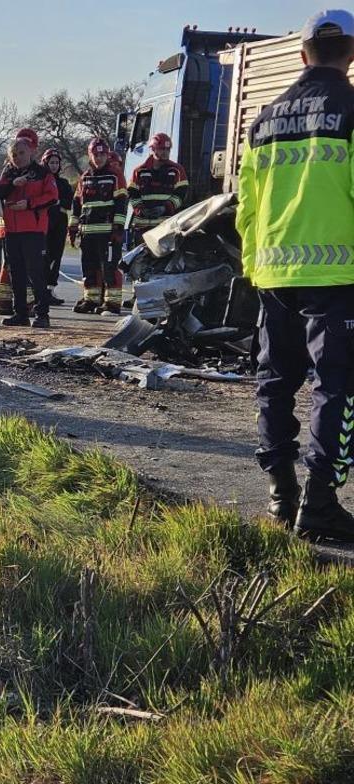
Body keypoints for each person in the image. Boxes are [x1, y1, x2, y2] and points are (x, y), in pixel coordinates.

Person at [237, 9, 354, 540]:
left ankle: (281, 495)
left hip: (274, 273)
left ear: (303, 53)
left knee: (275, 382)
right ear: (350, 53)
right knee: (338, 387)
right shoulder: (351, 109)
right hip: (338, 276)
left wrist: (254, 267)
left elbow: (247, 206)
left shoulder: (265, 119)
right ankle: (320, 503)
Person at [0, 137, 59, 328]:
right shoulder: (8, 172)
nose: (18, 157)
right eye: (14, 154)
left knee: (36, 273)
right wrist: (13, 183)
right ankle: (20, 313)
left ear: (31, 152)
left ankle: (42, 314)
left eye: (21, 153)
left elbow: (52, 197)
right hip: (12, 231)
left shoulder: (42, 173)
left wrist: (29, 204)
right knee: (16, 273)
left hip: (33, 230)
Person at [70, 137, 128, 315]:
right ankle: (91, 300)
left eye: (102, 154)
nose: (99, 158)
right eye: (96, 154)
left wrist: (118, 228)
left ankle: (112, 303)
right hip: (87, 233)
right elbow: (77, 204)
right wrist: (73, 227)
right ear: (90, 155)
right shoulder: (85, 177)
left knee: (110, 267)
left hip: (107, 233)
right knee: (89, 268)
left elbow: (121, 202)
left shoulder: (115, 176)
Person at [128, 132, 189, 243]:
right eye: (162, 149)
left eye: (168, 149)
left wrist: (166, 208)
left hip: (166, 227)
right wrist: (140, 210)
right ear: (153, 149)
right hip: (142, 228)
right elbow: (132, 194)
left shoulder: (177, 170)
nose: (165, 152)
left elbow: (181, 194)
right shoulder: (139, 171)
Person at [41, 148, 73, 306]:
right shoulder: (40, 181)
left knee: (56, 256)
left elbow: (69, 202)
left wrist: (56, 202)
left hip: (59, 224)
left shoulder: (64, 183)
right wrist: (54, 202)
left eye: (56, 163)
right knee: (43, 257)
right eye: (51, 162)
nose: (54, 165)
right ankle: (39, 290)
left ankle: (50, 290)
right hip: (44, 223)